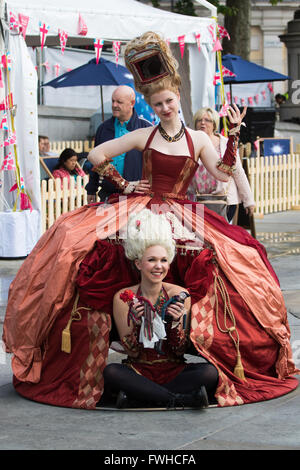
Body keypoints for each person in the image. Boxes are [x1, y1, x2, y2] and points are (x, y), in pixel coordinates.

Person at [3, 31, 298, 411]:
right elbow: (95, 155)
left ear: (179, 97)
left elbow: (223, 174)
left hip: (182, 211)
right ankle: (126, 345)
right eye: (157, 103)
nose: (164, 108)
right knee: (79, 249)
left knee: (237, 260)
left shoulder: (198, 139)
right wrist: (124, 183)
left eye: (169, 101)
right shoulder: (145, 133)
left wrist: (234, 134)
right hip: (140, 207)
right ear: (151, 104)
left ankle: (182, 345)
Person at [102, 209, 217, 409]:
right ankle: (180, 400)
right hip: (138, 370)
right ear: (138, 263)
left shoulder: (180, 295)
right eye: (152, 260)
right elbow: (132, 351)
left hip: (175, 370)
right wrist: (137, 325)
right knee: (111, 372)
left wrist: (174, 324)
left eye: (163, 260)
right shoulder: (123, 298)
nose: (159, 266)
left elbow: (180, 350)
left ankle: (140, 397)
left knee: (210, 373)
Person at [85, 85, 152, 203]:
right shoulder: (103, 128)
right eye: (113, 101)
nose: (114, 105)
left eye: (119, 102)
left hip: (136, 197)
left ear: (131, 103)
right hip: (107, 195)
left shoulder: (146, 128)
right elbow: (95, 162)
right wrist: (91, 188)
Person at [188, 107, 255, 222]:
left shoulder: (225, 144)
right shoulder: (189, 143)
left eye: (207, 120)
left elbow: (238, 172)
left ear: (214, 124)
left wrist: (248, 201)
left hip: (225, 201)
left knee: (220, 236)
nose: (203, 123)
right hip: (196, 200)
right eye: (199, 120)